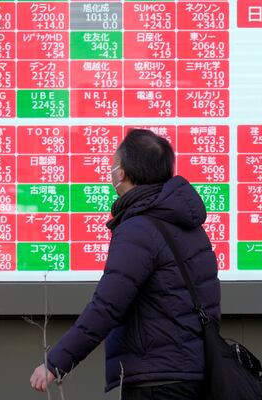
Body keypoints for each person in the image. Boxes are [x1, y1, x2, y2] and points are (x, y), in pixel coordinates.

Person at [30, 128, 221, 399]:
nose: (111, 171)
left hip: (157, 381)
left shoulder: (139, 229)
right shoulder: (187, 225)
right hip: (194, 372)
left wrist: (56, 361)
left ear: (124, 172)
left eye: (113, 164)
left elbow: (108, 305)